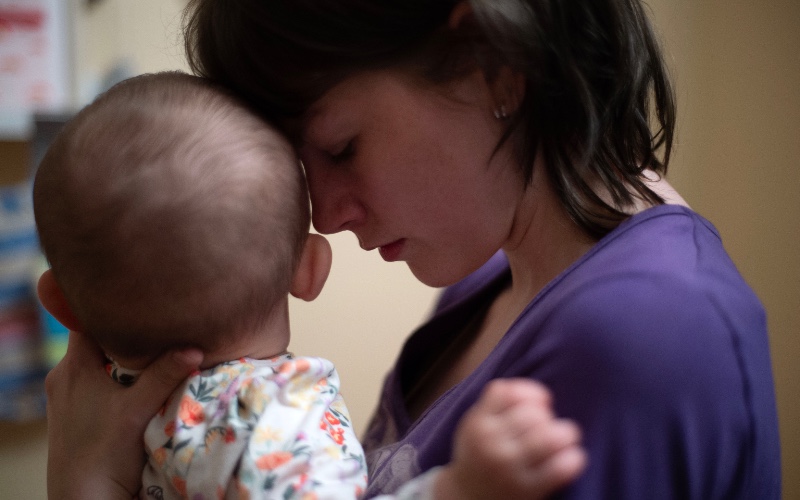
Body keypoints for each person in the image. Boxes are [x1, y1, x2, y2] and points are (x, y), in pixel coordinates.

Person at [44, 0, 783, 498]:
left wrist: (85, 484)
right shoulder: (491, 278)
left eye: (341, 146)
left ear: (489, 61)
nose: (323, 217)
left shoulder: (645, 337)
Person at [35, 71, 586, 499]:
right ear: (310, 268)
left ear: (60, 303)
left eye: (344, 147)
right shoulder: (274, 418)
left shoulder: (107, 422)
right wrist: (458, 491)